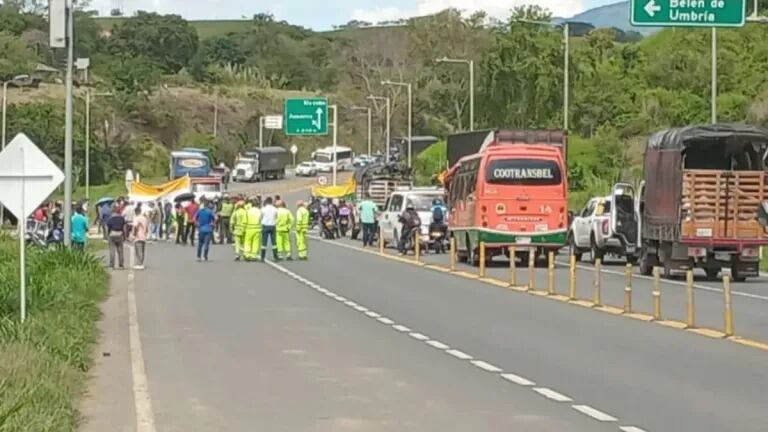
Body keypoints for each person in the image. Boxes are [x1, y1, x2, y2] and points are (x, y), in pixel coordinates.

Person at [105, 205, 126, 269]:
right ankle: (121, 265)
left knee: (112, 250)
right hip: (120, 234)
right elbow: (124, 228)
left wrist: (107, 235)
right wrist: (124, 236)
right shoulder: (122, 218)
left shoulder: (110, 219)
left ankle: (112, 265)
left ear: (112, 212)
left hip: (112, 234)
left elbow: (107, 228)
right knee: (120, 250)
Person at [260, 197, 279, 261]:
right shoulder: (275, 209)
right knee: (274, 242)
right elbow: (276, 216)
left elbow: (261, 216)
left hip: (265, 225)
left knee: (264, 242)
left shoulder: (263, 209)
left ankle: (262, 257)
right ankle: (275, 256)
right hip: (272, 225)